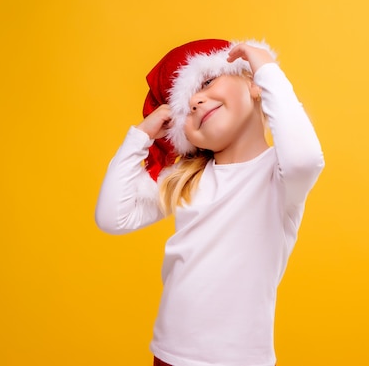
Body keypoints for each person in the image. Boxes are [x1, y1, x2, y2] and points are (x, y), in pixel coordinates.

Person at [95, 39, 325, 366]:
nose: (196, 102)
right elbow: (112, 217)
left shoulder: (279, 175)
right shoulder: (188, 180)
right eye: (184, 109)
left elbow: (305, 158)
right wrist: (141, 136)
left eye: (206, 82)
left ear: (253, 84)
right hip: (169, 355)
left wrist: (267, 70)